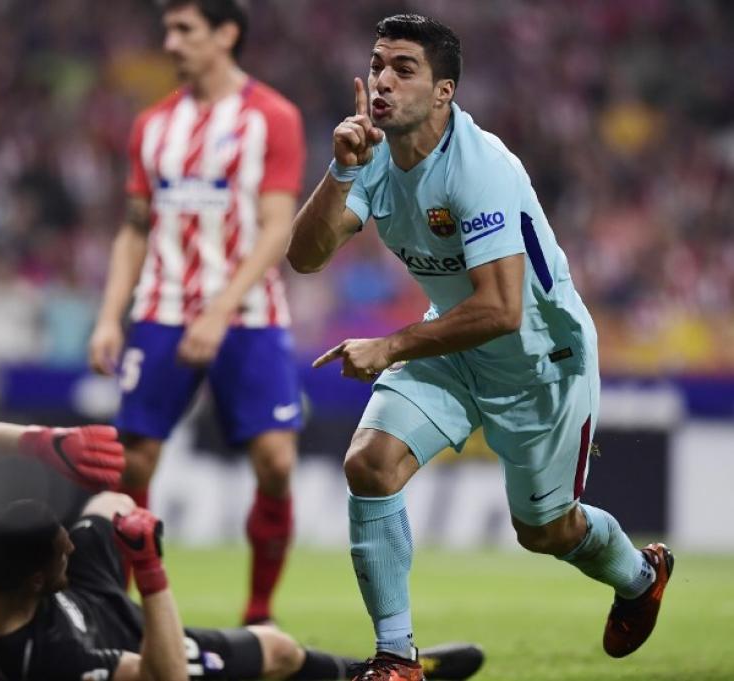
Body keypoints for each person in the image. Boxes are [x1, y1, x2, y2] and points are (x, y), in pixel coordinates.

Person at [288, 14, 673, 681]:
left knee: (544, 531)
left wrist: (391, 345)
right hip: (454, 341)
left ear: (444, 92)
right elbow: (305, 255)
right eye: (378, 63)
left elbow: (500, 307)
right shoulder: (374, 153)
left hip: (539, 360)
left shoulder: (481, 168)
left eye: (404, 69)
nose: (382, 80)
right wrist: (340, 170)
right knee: (370, 464)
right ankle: (396, 658)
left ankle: (640, 575)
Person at [0, 419, 486, 681]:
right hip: (131, 649)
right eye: (62, 551)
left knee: (109, 500)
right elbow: (165, 679)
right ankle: (376, 677)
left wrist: (43, 441)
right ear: (38, 577)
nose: (69, 546)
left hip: (82, 604)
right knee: (277, 651)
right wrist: (150, 570)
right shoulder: (52, 663)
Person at [88, 0, 304, 625]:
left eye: (185, 29)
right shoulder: (152, 125)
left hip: (249, 314)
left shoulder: (273, 117)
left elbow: (274, 228)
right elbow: (133, 231)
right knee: (133, 461)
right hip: (161, 308)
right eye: (167, 29)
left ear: (226, 33)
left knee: (277, 462)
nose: (171, 41)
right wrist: (110, 316)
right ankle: (122, 613)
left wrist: (218, 311)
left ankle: (259, 612)